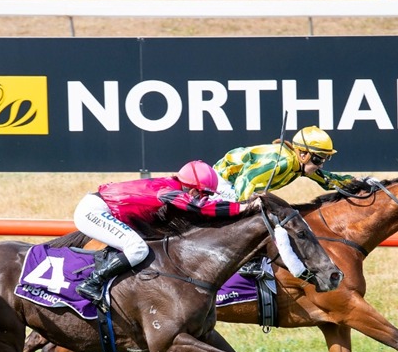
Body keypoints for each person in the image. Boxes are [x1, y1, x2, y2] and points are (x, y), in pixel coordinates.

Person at [73, 160, 257, 303]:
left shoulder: (174, 187)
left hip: (108, 210)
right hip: (94, 211)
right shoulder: (169, 192)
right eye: (204, 193)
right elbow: (199, 207)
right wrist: (243, 208)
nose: (205, 197)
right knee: (137, 248)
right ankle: (92, 283)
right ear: (193, 189)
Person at [214, 125, 355, 202]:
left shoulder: (298, 165)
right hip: (223, 182)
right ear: (303, 154)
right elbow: (246, 178)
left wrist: (360, 183)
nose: (321, 165)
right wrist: (243, 207)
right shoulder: (283, 161)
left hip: (237, 184)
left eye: (324, 159)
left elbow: (328, 181)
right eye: (318, 159)